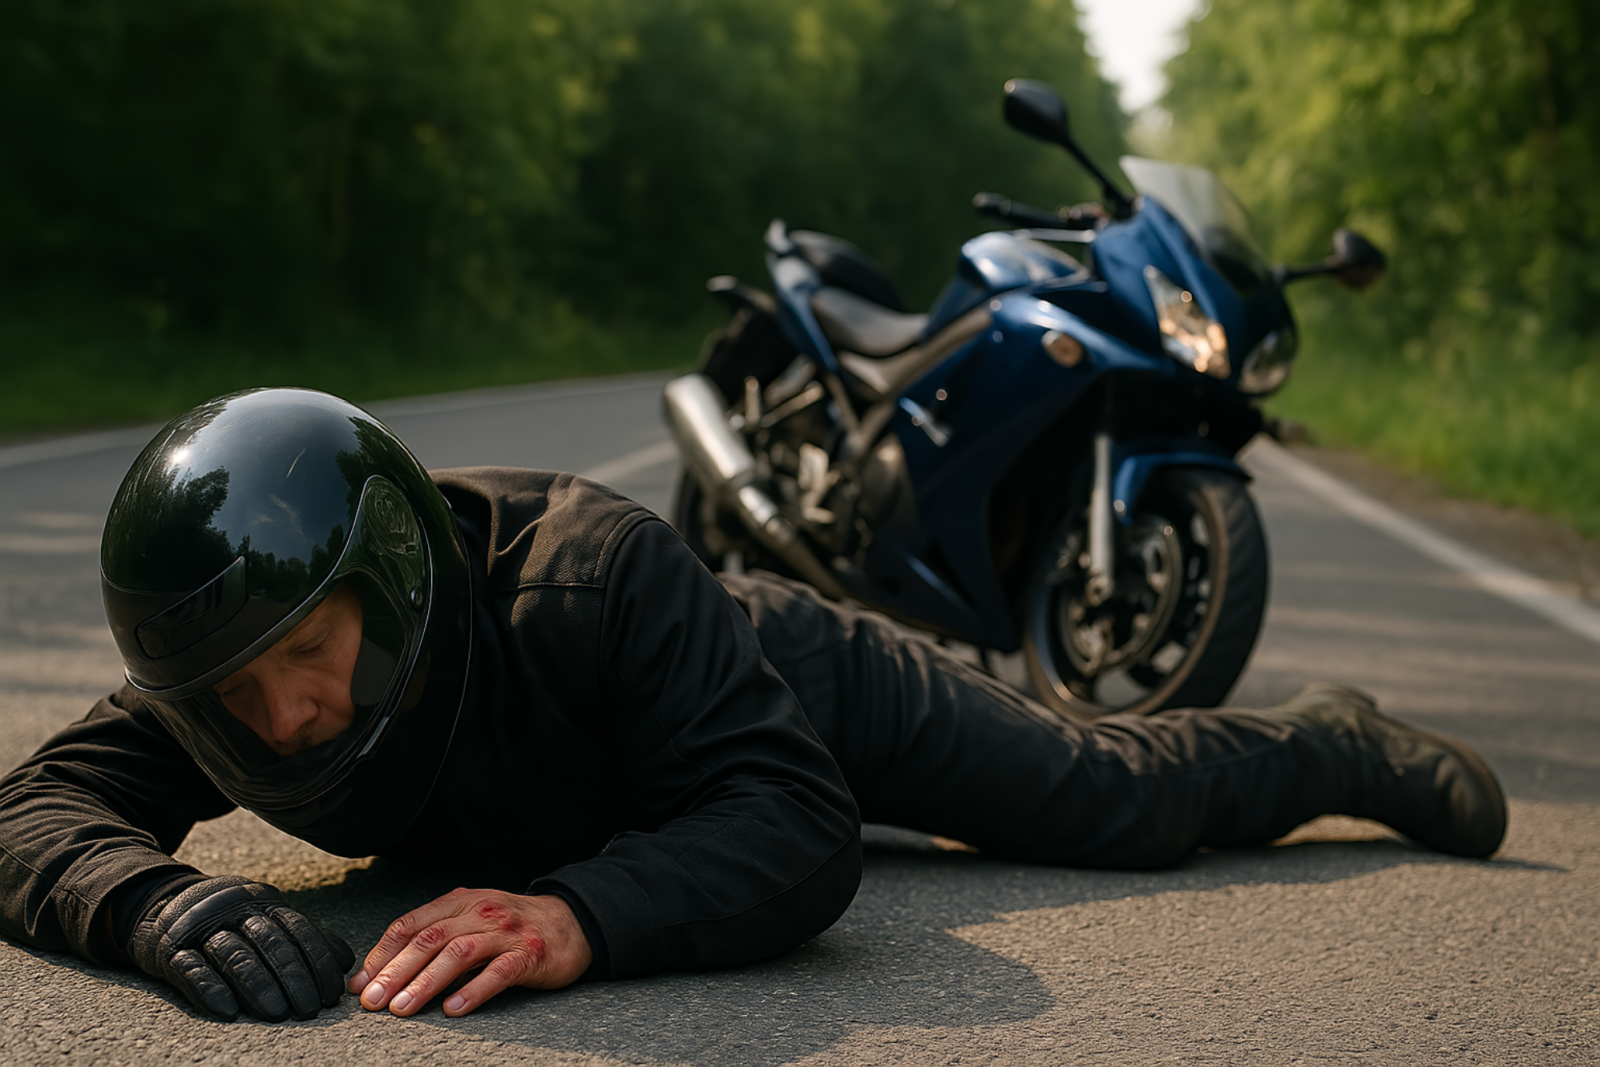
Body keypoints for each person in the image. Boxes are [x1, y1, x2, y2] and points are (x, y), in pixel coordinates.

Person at [0, 388, 1506, 1024]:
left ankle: (1330, 732)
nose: (283, 722)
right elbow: (32, 810)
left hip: (789, 695)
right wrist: (148, 905)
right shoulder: (224, 677)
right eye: (231, 691)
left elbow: (795, 826)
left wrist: (573, 914)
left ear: (389, 579)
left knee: (1112, 802)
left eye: (309, 654)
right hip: (641, 780)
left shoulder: (587, 571)